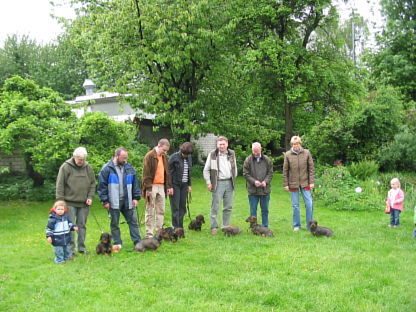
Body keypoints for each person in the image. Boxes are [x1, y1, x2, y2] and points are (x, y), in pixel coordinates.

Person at [97, 147, 141, 250]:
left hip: (128, 200)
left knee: (133, 221)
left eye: (126, 158)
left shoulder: (129, 168)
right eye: (123, 158)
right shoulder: (106, 168)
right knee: (114, 223)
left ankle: (137, 242)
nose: (125, 160)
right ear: (116, 156)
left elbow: (135, 183)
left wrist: (135, 198)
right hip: (113, 201)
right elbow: (101, 186)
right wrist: (105, 201)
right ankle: (117, 243)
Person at [56, 147, 96, 255]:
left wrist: (90, 197)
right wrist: (60, 201)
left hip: (84, 203)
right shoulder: (65, 167)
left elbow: (93, 183)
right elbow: (60, 185)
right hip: (69, 203)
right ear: (74, 157)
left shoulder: (88, 167)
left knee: (82, 225)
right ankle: (70, 250)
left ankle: (81, 248)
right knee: (70, 227)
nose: (81, 162)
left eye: (83, 159)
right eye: (79, 159)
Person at [203, 136, 237, 235]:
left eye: (223, 144)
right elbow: (206, 170)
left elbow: (234, 167)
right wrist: (209, 182)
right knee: (215, 206)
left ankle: (225, 226)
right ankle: (214, 227)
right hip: (217, 183)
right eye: (219, 144)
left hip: (230, 182)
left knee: (228, 206)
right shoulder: (212, 154)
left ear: (227, 144)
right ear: (217, 145)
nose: (221, 146)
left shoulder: (232, 153)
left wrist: (233, 178)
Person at [142, 139, 173, 238]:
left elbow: (167, 173)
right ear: (159, 146)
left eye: (167, 151)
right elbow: (146, 173)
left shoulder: (164, 157)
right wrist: (148, 188)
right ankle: (149, 234)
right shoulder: (149, 156)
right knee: (150, 210)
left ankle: (159, 232)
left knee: (161, 210)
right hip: (152, 186)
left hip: (162, 186)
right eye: (164, 150)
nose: (165, 152)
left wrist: (168, 186)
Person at [283, 136, 315, 231]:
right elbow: (285, 170)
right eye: (293, 144)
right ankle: (296, 225)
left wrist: (312, 182)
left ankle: (310, 226)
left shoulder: (307, 153)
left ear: (300, 144)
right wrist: (286, 184)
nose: (295, 145)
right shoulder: (288, 155)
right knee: (295, 205)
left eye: (297, 143)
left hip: (305, 183)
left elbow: (311, 168)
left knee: (309, 204)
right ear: (291, 145)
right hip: (293, 183)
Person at [243, 142, 273, 227]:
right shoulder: (248, 160)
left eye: (257, 151)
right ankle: (253, 227)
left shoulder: (267, 160)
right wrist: (254, 181)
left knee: (265, 210)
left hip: (265, 190)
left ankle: (265, 226)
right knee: (253, 210)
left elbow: (270, 173)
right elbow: (245, 173)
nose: (255, 153)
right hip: (253, 190)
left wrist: (265, 182)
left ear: (261, 149)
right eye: (254, 151)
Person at [168, 142, 194, 230]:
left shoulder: (189, 157)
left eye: (188, 154)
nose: (186, 156)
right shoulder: (173, 157)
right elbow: (169, 174)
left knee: (182, 207)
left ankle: (180, 226)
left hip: (184, 185)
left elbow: (189, 172)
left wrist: (189, 184)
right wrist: (170, 186)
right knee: (175, 207)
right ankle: (175, 227)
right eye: (185, 154)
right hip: (175, 185)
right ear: (181, 151)